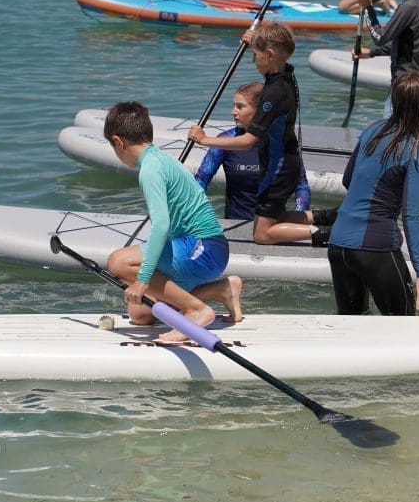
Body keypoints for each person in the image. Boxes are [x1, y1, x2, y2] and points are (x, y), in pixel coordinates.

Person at [103, 101, 242, 343]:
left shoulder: (150, 169)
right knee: (140, 313)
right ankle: (222, 289)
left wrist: (143, 279)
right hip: (205, 251)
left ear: (118, 141)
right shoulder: (160, 158)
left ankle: (196, 310)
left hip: (203, 248)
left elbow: (161, 225)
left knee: (118, 262)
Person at [328, 71, 419, 317]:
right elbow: (412, 215)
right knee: (404, 324)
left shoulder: (371, 131)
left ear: (395, 100)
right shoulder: (417, 149)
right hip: (375, 248)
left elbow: (348, 180)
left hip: (337, 243)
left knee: (352, 324)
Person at [188, 22, 323, 246]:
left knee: (262, 234)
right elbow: (278, 45)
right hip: (285, 161)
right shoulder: (285, 74)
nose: (253, 60)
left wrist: (204, 139)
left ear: (270, 55)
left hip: (278, 168)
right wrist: (256, 39)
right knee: (275, 219)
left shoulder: (274, 93)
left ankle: (327, 234)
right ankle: (328, 217)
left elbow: (249, 141)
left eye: (254, 55)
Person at [193, 82, 310, 220]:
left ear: (260, 111)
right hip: (235, 222)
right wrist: (198, 216)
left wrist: (297, 215)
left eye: (240, 106)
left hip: (271, 224)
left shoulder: (282, 142)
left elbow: (301, 186)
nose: (233, 111)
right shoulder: (226, 140)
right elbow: (201, 180)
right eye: (234, 105)